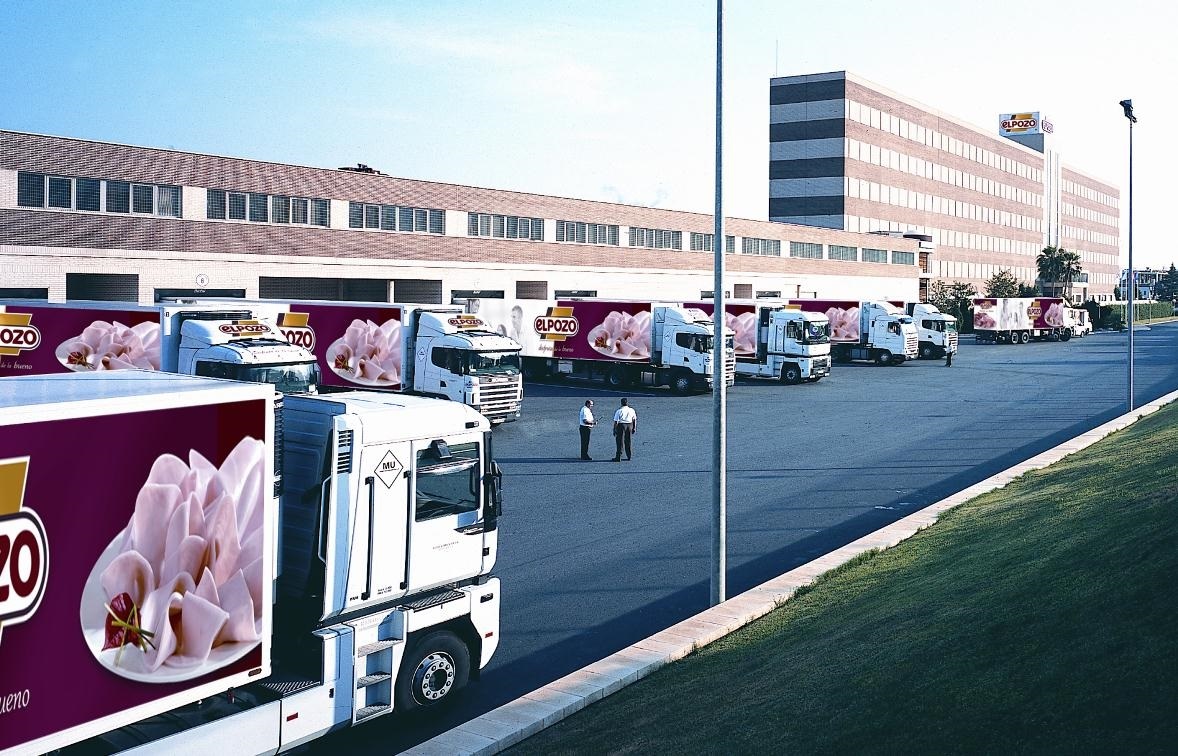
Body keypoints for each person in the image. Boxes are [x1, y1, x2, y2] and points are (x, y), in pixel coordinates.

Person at [612, 397, 637, 462]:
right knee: (628, 441)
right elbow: (634, 419)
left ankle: (618, 457)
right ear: (627, 403)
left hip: (621, 425)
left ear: (621, 403)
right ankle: (629, 456)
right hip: (629, 425)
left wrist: (614, 429)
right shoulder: (631, 410)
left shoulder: (619, 411)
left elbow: (616, 421)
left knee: (620, 441)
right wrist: (634, 427)